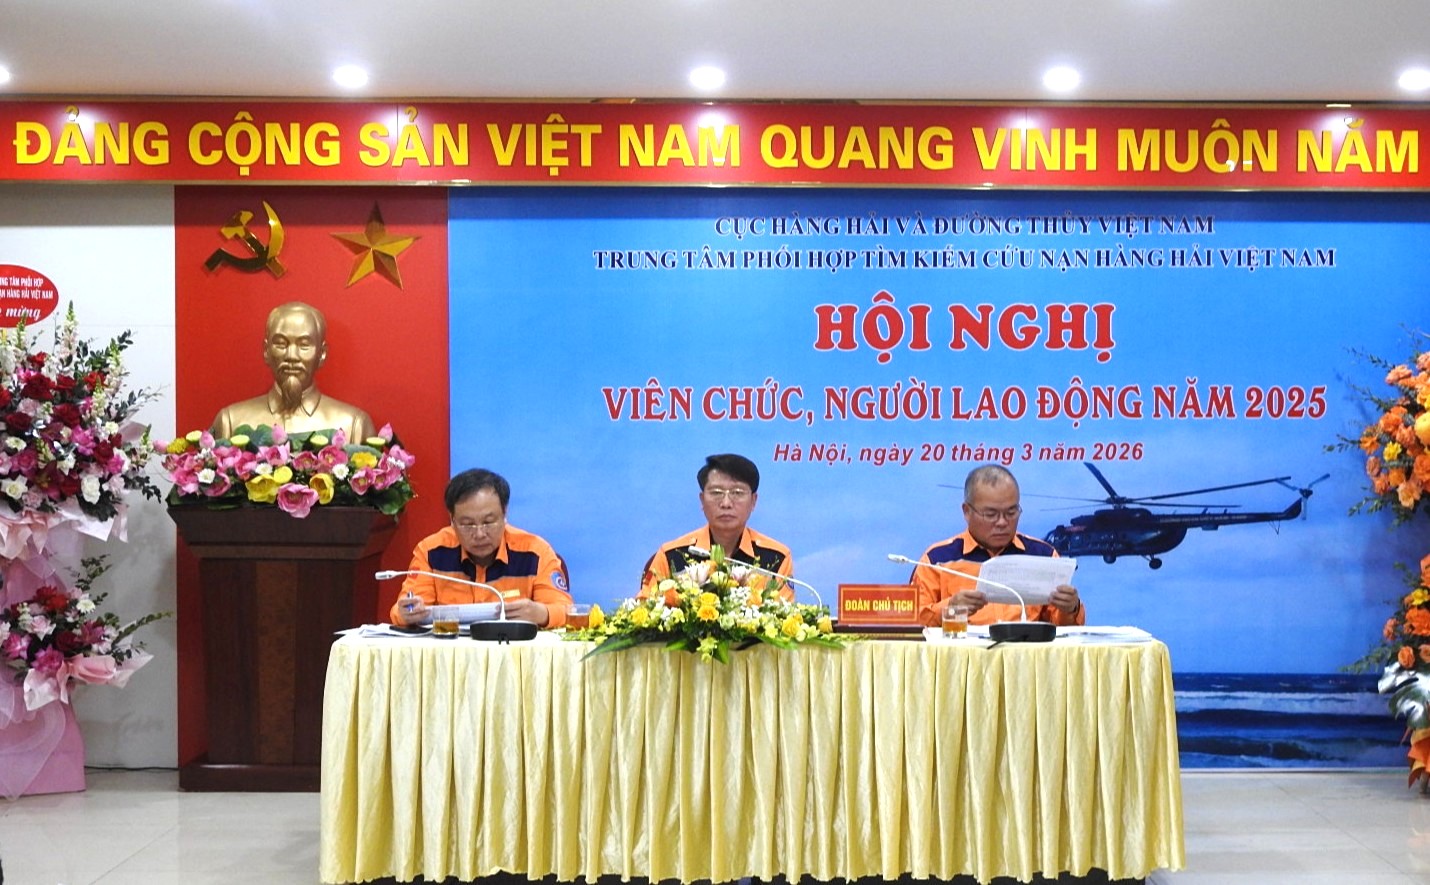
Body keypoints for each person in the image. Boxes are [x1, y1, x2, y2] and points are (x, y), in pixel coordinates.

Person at [390, 468, 572, 627]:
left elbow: (566, 610)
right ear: (452, 519)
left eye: (488, 522)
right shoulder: (431, 552)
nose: (479, 534)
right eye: (467, 524)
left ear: (505, 513)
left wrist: (542, 614)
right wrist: (408, 613)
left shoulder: (535, 552)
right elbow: (401, 610)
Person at [910, 464, 1085, 628]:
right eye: (991, 514)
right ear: (967, 511)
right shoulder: (937, 560)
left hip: (1026, 649)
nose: (1002, 522)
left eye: (1011, 512)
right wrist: (950, 609)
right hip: (962, 649)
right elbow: (911, 622)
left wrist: (1071, 608)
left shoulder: (1043, 556)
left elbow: (1063, 630)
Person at [211, 301, 377, 442]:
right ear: (266, 351)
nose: (291, 356)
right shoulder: (231, 422)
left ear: (322, 354)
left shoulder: (354, 425)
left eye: (304, 345)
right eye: (281, 344)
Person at [639, 453, 794, 599]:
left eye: (737, 493)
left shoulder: (776, 558)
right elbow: (645, 610)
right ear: (702, 500)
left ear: (753, 501)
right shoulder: (672, 555)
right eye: (716, 493)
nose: (726, 503)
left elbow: (784, 614)